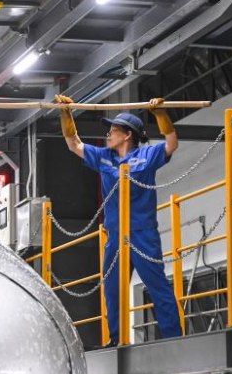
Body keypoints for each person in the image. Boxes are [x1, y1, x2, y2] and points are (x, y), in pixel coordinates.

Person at [54, 95, 183, 346]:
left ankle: (174, 340)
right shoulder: (104, 158)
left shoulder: (147, 155)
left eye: (113, 131)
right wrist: (66, 113)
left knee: (158, 287)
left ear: (127, 135)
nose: (108, 135)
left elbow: (172, 143)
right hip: (115, 235)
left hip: (142, 233)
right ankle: (117, 340)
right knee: (112, 291)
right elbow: (73, 143)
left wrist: (160, 114)